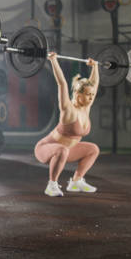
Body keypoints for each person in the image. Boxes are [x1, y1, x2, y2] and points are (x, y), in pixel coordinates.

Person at [34, 53, 100, 197]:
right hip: (45, 149)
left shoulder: (85, 108)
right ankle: (51, 185)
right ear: (77, 93)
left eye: (92, 95)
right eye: (88, 94)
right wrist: (53, 61)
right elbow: (62, 83)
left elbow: (94, 84)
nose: (90, 98)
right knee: (62, 150)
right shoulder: (68, 110)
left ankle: (76, 181)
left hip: (66, 150)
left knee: (93, 149)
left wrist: (95, 67)